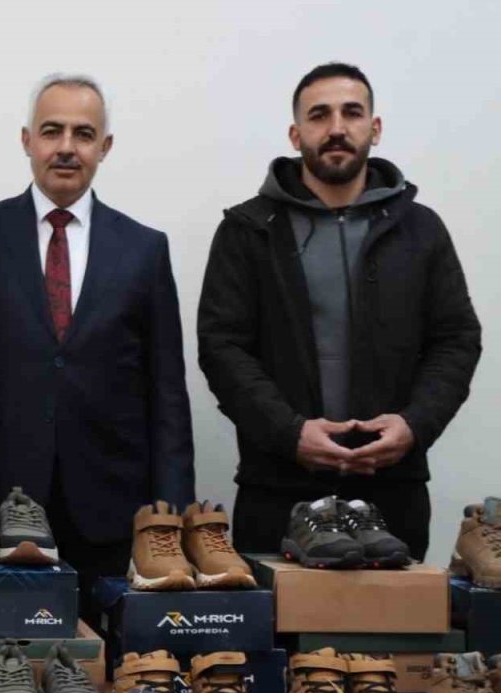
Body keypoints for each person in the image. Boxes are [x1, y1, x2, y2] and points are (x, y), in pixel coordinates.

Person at [0, 74, 194, 617]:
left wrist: (171, 510)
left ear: (105, 146)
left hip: (113, 507)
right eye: (52, 131)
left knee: (109, 657)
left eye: (83, 134)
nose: (66, 147)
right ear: (27, 140)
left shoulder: (144, 249)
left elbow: (167, 389)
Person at [197, 63, 481, 558]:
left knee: (396, 614)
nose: (336, 128)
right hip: (278, 492)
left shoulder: (421, 231)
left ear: (375, 127)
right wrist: (290, 433)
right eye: (319, 115)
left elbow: (456, 340)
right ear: (295, 134)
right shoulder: (248, 230)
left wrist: (414, 425)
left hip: (393, 492)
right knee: (282, 615)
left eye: (351, 113)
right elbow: (222, 348)